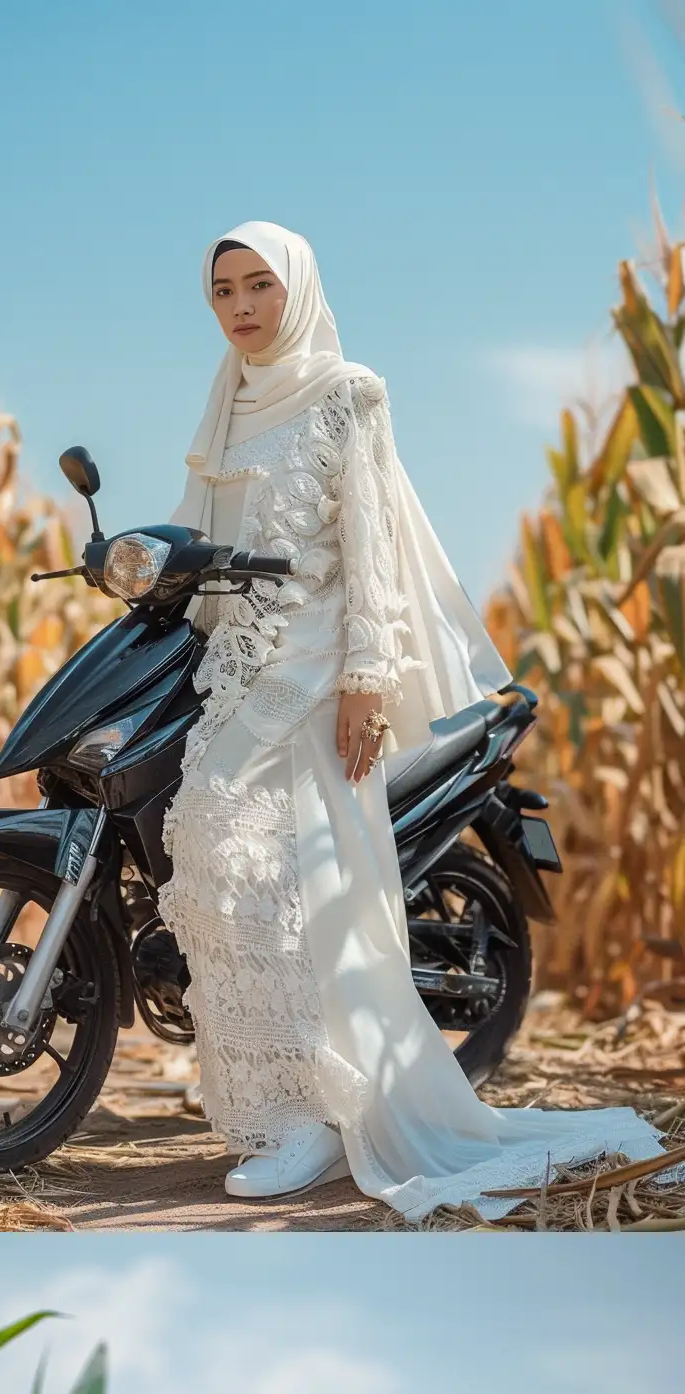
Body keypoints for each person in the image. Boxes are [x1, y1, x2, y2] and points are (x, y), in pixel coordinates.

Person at [159, 221, 671, 1218]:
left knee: (269, 859)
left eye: (258, 284)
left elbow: (371, 545)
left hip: (317, 673)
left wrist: (364, 673)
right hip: (234, 671)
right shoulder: (227, 401)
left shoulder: (348, 391)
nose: (240, 307)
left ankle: (319, 1118)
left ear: (295, 287)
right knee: (219, 865)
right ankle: (275, 1099)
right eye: (221, 290)